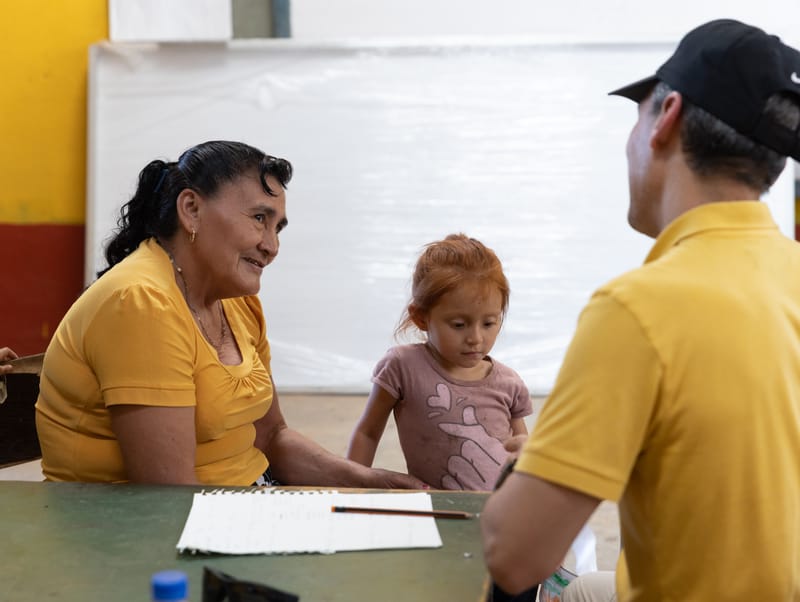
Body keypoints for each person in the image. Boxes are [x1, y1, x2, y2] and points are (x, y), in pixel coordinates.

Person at [481, 19, 800, 601]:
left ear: (667, 117)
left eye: (638, 112)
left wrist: (551, 450)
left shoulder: (637, 309)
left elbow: (514, 556)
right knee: (582, 590)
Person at [35, 140, 424, 489]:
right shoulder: (141, 302)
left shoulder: (236, 301)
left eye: (278, 228)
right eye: (259, 218)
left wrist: (370, 480)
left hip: (242, 500)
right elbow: (167, 496)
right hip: (136, 535)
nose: (271, 246)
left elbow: (271, 437)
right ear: (191, 210)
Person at [347, 233, 532, 490]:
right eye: (458, 325)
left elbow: (521, 453)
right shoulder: (403, 367)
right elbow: (367, 433)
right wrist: (351, 489)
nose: (476, 338)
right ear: (421, 318)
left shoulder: (509, 382)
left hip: (500, 510)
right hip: (437, 510)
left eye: (489, 323)